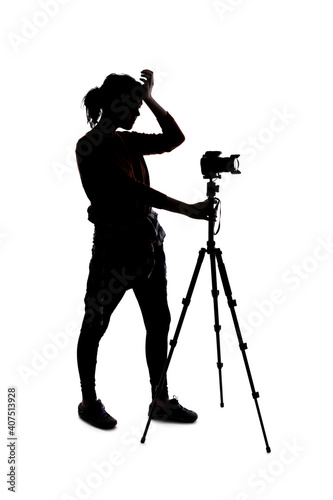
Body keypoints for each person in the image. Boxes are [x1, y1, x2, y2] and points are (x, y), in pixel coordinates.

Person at [76, 69, 210, 429]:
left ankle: (160, 400)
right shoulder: (90, 146)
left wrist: (150, 97)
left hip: (147, 246)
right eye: (134, 106)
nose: (137, 113)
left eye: (140, 106)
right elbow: (134, 190)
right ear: (116, 105)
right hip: (113, 254)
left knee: (159, 321)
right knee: (96, 323)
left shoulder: (124, 141)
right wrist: (189, 209)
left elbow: (174, 138)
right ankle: (88, 402)